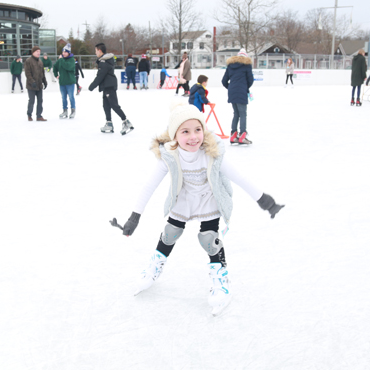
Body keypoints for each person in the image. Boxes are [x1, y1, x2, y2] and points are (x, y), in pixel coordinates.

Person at [109, 102, 284, 315]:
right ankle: (154, 267)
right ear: (175, 135)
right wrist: (134, 217)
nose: (193, 137)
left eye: (198, 130)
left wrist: (265, 201)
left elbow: (238, 176)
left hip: (208, 198)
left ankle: (221, 279)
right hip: (183, 197)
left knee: (209, 238)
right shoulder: (169, 155)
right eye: (185, 131)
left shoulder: (212, 152)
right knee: (170, 233)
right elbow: (149, 185)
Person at [88, 43, 134, 135]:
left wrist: (92, 86)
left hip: (109, 86)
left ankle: (126, 122)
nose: (95, 53)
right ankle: (109, 123)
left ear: (100, 51)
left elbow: (100, 76)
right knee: (106, 105)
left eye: (96, 51)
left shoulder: (104, 62)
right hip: (106, 86)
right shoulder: (105, 60)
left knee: (114, 105)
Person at [222, 48, 254, 145]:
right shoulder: (247, 66)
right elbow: (251, 80)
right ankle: (242, 136)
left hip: (232, 92)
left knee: (236, 113)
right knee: (243, 114)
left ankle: (233, 136)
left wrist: (231, 88)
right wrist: (245, 87)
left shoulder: (230, 66)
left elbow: (224, 81)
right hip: (241, 91)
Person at [53, 43, 76, 119]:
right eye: (63, 52)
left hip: (70, 82)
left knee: (71, 97)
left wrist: (61, 60)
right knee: (63, 98)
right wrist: (56, 74)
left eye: (65, 52)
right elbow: (55, 67)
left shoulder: (71, 60)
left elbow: (68, 67)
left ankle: (73, 111)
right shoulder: (60, 60)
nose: (64, 53)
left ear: (68, 52)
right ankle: (65, 111)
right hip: (62, 82)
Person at [25, 46, 47, 122]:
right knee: (32, 101)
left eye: (39, 51)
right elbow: (27, 73)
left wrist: (44, 81)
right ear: (33, 52)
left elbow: (42, 73)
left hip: (39, 85)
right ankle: (29, 115)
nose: (38, 53)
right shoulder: (28, 61)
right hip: (31, 85)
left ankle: (39, 115)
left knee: (40, 101)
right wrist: (32, 82)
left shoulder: (40, 62)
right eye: (37, 51)